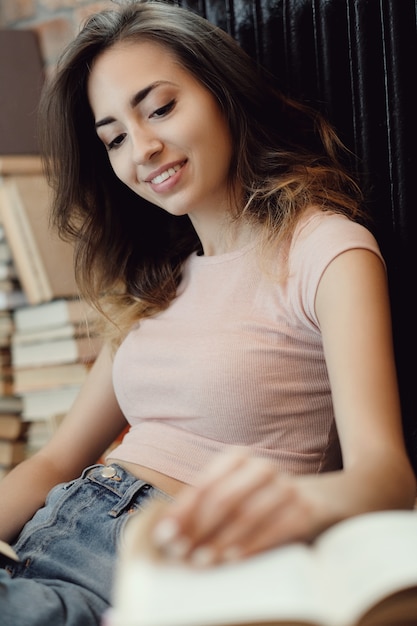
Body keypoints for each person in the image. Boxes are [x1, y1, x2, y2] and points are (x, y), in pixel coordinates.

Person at [0, 0, 415, 624]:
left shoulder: (325, 250)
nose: (142, 148)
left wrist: (284, 508)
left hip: (158, 565)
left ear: (223, 93)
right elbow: (57, 461)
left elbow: (388, 478)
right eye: (113, 137)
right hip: (46, 541)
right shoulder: (158, 282)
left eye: (161, 108)